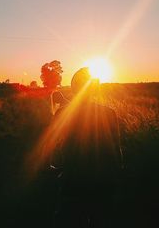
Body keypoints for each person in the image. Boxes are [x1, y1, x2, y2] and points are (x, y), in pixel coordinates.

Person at [51, 67, 123, 227]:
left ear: (73, 88)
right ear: (94, 89)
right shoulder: (110, 114)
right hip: (103, 181)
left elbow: (55, 152)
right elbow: (117, 152)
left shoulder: (62, 114)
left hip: (72, 181)